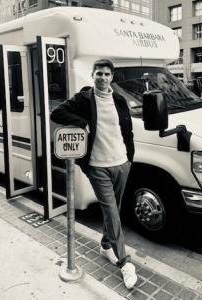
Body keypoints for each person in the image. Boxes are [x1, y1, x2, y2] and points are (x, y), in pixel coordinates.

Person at [51, 59, 137, 289]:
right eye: (99, 73)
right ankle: (125, 262)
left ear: (112, 77)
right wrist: (82, 123)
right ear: (92, 75)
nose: (103, 77)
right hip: (97, 166)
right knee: (111, 211)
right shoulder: (84, 99)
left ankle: (106, 245)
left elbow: (125, 130)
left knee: (115, 210)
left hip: (121, 163)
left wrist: (129, 157)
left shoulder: (118, 99)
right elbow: (56, 113)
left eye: (107, 74)